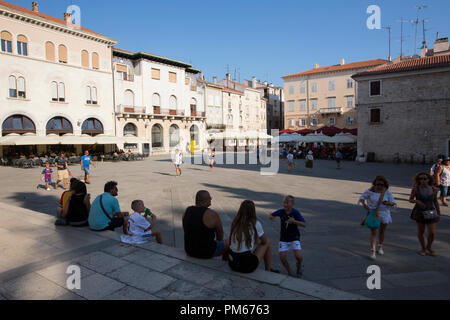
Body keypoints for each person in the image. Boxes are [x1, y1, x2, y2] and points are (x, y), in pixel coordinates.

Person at [228, 200, 278, 274]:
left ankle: (268, 269)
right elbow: (264, 241)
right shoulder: (255, 223)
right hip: (246, 266)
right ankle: (268, 270)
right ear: (253, 211)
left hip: (232, 263)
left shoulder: (235, 221)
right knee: (267, 242)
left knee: (245, 249)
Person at [182, 190, 229, 259]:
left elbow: (186, 228)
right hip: (206, 252)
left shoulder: (187, 210)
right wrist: (219, 245)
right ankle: (223, 263)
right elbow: (220, 233)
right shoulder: (211, 214)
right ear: (205, 200)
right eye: (210, 198)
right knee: (230, 242)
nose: (211, 199)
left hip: (189, 250)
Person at [358, 176, 396, 260]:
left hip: (384, 213)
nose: (380, 186)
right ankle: (373, 251)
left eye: (382, 184)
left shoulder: (387, 192)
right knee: (374, 233)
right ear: (374, 184)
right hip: (374, 213)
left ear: (385, 185)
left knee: (382, 232)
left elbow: (393, 203)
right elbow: (361, 198)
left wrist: (388, 203)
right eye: (378, 184)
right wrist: (364, 205)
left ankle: (380, 246)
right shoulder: (369, 192)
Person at [269, 196, 306, 278]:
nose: (285, 205)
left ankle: (299, 267)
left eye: (287, 203)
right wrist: (271, 217)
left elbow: (304, 224)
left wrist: (294, 221)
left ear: (292, 204)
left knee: (299, 257)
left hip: (294, 237)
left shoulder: (295, 212)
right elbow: (271, 215)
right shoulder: (281, 211)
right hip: (284, 238)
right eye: (284, 203)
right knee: (282, 257)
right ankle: (289, 272)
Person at [409, 172, 441, 256]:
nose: (422, 180)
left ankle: (429, 247)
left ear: (428, 179)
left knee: (432, 232)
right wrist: (417, 201)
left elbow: (435, 201)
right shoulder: (416, 189)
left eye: (424, 179)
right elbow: (410, 199)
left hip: (431, 211)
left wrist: (438, 212)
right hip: (419, 212)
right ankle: (423, 248)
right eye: (420, 179)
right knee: (421, 231)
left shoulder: (433, 189)